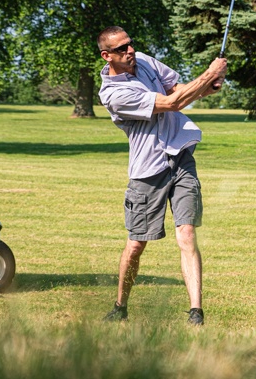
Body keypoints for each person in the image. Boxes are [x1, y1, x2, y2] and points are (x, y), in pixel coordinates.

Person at [97, 26, 227, 325]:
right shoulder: (114, 94)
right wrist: (208, 74)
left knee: (187, 233)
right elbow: (171, 104)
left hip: (180, 157)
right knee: (136, 245)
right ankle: (120, 306)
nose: (129, 51)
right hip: (147, 170)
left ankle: (196, 311)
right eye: (121, 49)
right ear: (107, 56)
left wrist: (209, 86)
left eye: (130, 44)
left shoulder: (143, 60)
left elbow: (177, 92)